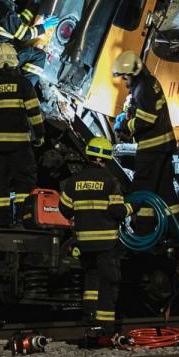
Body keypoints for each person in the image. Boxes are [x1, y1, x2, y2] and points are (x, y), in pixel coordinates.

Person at [59, 136, 130, 338]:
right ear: (105, 158)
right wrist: (132, 207)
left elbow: (64, 210)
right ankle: (105, 327)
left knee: (91, 278)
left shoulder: (74, 182)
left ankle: (89, 316)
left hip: (83, 242)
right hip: (106, 242)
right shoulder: (110, 181)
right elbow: (118, 212)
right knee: (109, 281)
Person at [0, 43, 46, 228]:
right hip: (19, 147)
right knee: (24, 183)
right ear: (15, 61)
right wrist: (40, 134)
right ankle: (23, 222)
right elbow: (34, 113)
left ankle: (1, 225)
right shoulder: (23, 83)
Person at [112, 50, 179, 233]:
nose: (125, 83)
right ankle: (175, 230)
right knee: (164, 191)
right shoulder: (148, 83)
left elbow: (146, 119)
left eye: (124, 78)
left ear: (132, 73)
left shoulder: (143, 89)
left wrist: (126, 125)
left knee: (141, 187)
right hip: (163, 146)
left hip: (152, 149)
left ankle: (142, 229)